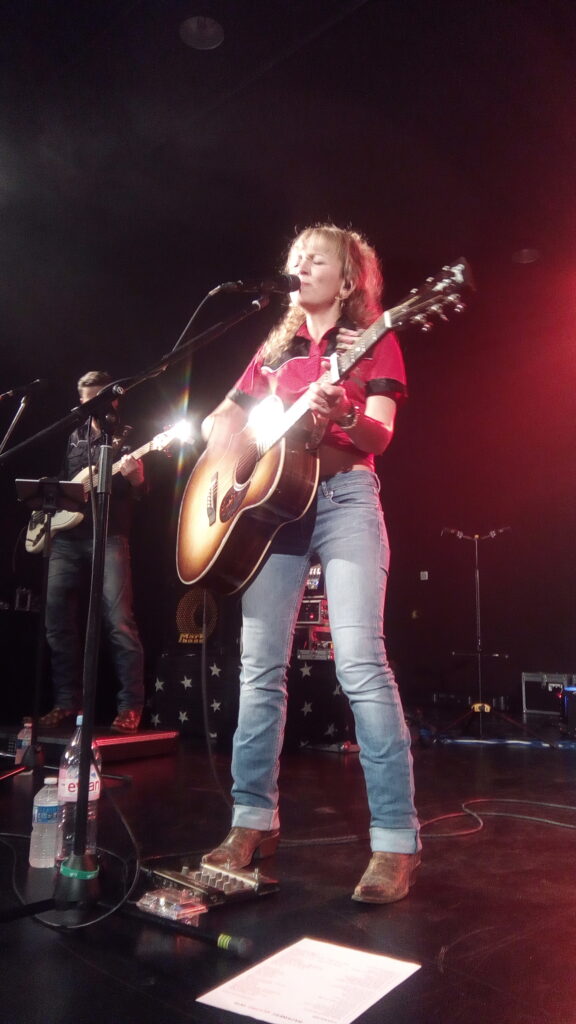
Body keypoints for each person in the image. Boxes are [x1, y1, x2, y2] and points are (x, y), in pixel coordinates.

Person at [200, 223, 420, 903]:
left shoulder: (373, 340)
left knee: (360, 664)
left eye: (315, 259)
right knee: (259, 668)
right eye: (295, 258)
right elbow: (221, 418)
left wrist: (342, 415)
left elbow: (378, 432)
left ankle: (396, 841)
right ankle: (251, 823)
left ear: (348, 277)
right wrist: (232, 444)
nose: (300, 267)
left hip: (345, 498)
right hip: (272, 510)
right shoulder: (275, 349)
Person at [39, 370, 146, 734]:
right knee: (56, 620)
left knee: (118, 622)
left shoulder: (128, 438)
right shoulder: (74, 437)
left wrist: (136, 478)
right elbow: (66, 481)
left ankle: (130, 706)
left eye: (93, 400)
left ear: (111, 399)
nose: (86, 406)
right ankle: (66, 701)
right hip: (67, 537)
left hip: (110, 535)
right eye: (84, 400)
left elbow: (144, 492)